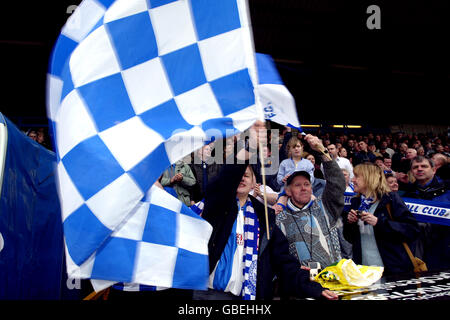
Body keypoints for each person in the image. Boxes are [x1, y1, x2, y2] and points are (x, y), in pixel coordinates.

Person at [193, 122, 338, 300]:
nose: (241, 178)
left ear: (255, 182)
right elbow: (226, 179)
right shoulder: (217, 206)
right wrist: (251, 145)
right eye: (239, 175)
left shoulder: (264, 217)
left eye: (247, 175)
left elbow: (284, 261)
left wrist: (314, 289)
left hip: (248, 297)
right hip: (208, 295)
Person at [275, 135, 346, 270]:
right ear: (288, 191)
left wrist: (321, 151)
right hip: (300, 285)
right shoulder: (280, 219)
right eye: (297, 185)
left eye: (307, 184)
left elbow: (338, 184)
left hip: (334, 280)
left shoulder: (324, 207)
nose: (303, 188)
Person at [343, 163, 420, 275]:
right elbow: (349, 238)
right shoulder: (356, 202)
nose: (352, 180)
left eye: (356, 176)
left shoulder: (390, 198)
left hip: (392, 269)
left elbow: (412, 230)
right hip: (363, 270)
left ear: (369, 178)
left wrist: (379, 222)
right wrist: (350, 223)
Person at [402, 156, 450, 271]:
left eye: (424, 166)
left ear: (433, 169)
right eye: (415, 167)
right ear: (411, 172)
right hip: (420, 252)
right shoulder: (408, 195)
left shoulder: (448, 188)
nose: (419, 169)